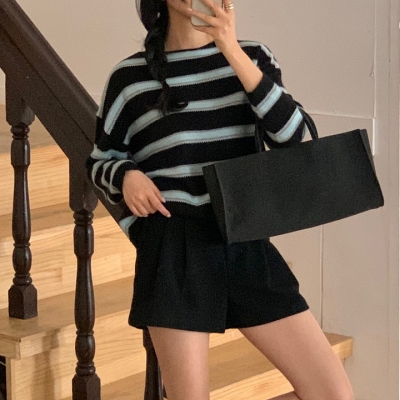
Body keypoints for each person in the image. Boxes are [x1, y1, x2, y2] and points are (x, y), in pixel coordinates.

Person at [86, 0, 354, 399]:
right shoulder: (130, 78)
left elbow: (296, 141)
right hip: (175, 248)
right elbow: (100, 160)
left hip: (244, 236)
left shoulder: (253, 58)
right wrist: (126, 175)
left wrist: (231, 48)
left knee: (333, 393)